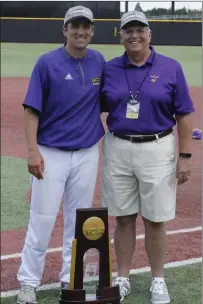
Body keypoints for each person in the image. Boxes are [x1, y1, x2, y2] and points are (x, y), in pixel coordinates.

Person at [100, 10, 194, 304]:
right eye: (128, 30)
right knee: (124, 218)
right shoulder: (110, 68)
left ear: (150, 34)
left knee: (155, 220)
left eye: (140, 29)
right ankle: (123, 278)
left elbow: (184, 115)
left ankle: (158, 280)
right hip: (118, 147)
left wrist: (185, 156)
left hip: (158, 147)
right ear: (121, 36)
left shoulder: (170, 67)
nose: (134, 35)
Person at [17, 6, 105, 304]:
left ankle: (72, 281)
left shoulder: (98, 61)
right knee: (41, 218)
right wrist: (32, 152)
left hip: (86, 152)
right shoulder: (47, 63)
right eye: (75, 25)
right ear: (64, 29)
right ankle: (28, 282)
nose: (81, 31)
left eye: (86, 26)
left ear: (92, 31)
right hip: (50, 152)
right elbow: (31, 112)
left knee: (78, 221)